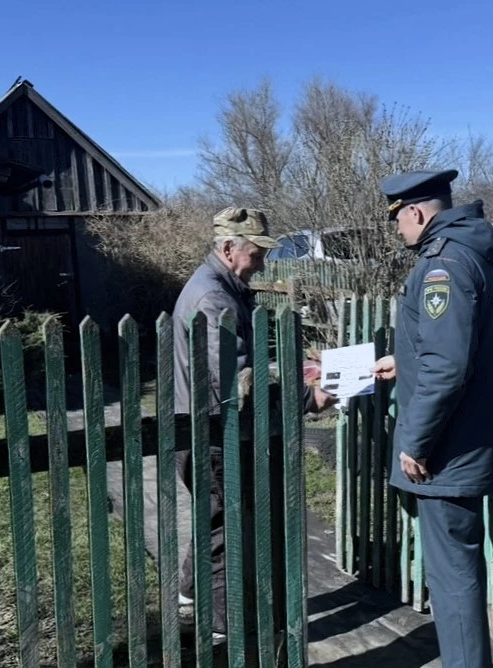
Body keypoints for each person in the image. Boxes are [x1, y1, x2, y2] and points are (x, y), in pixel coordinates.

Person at [172, 206, 336, 640]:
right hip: (211, 433)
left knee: (213, 517)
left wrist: (297, 370)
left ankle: (188, 596)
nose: (262, 263)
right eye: (256, 253)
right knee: (226, 531)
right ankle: (224, 631)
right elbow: (235, 376)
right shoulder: (214, 298)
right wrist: (309, 397)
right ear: (229, 248)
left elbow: (243, 361)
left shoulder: (220, 287)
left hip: (201, 426)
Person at [371, 170, 493, 668]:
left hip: (447, 448)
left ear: (415, 212)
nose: (397, 230)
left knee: (452, 576)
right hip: (468, 434)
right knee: (457, 566)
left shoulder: (442, 265)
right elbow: (458, 345)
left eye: (398, 220)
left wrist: (415, 441)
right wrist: (404, 360)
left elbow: (448, 366)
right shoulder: (470, 252)